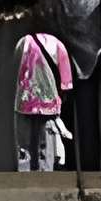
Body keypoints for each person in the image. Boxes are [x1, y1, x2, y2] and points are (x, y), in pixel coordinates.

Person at [49, 0, 101, 171]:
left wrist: (99, 52)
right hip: (63, 62)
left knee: (88, 118)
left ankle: (90, 167)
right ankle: (67, 166)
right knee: (63, 118)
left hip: (90, 62)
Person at [15, 23, 73, 171]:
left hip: (25, 101)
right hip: (49, 103)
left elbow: (15, 70)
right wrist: (61, 97)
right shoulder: (57, 43)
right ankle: (44, 170)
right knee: (46, 141)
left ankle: (26, 169)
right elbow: (66, 80)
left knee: (25, 142)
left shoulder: (23, 41)